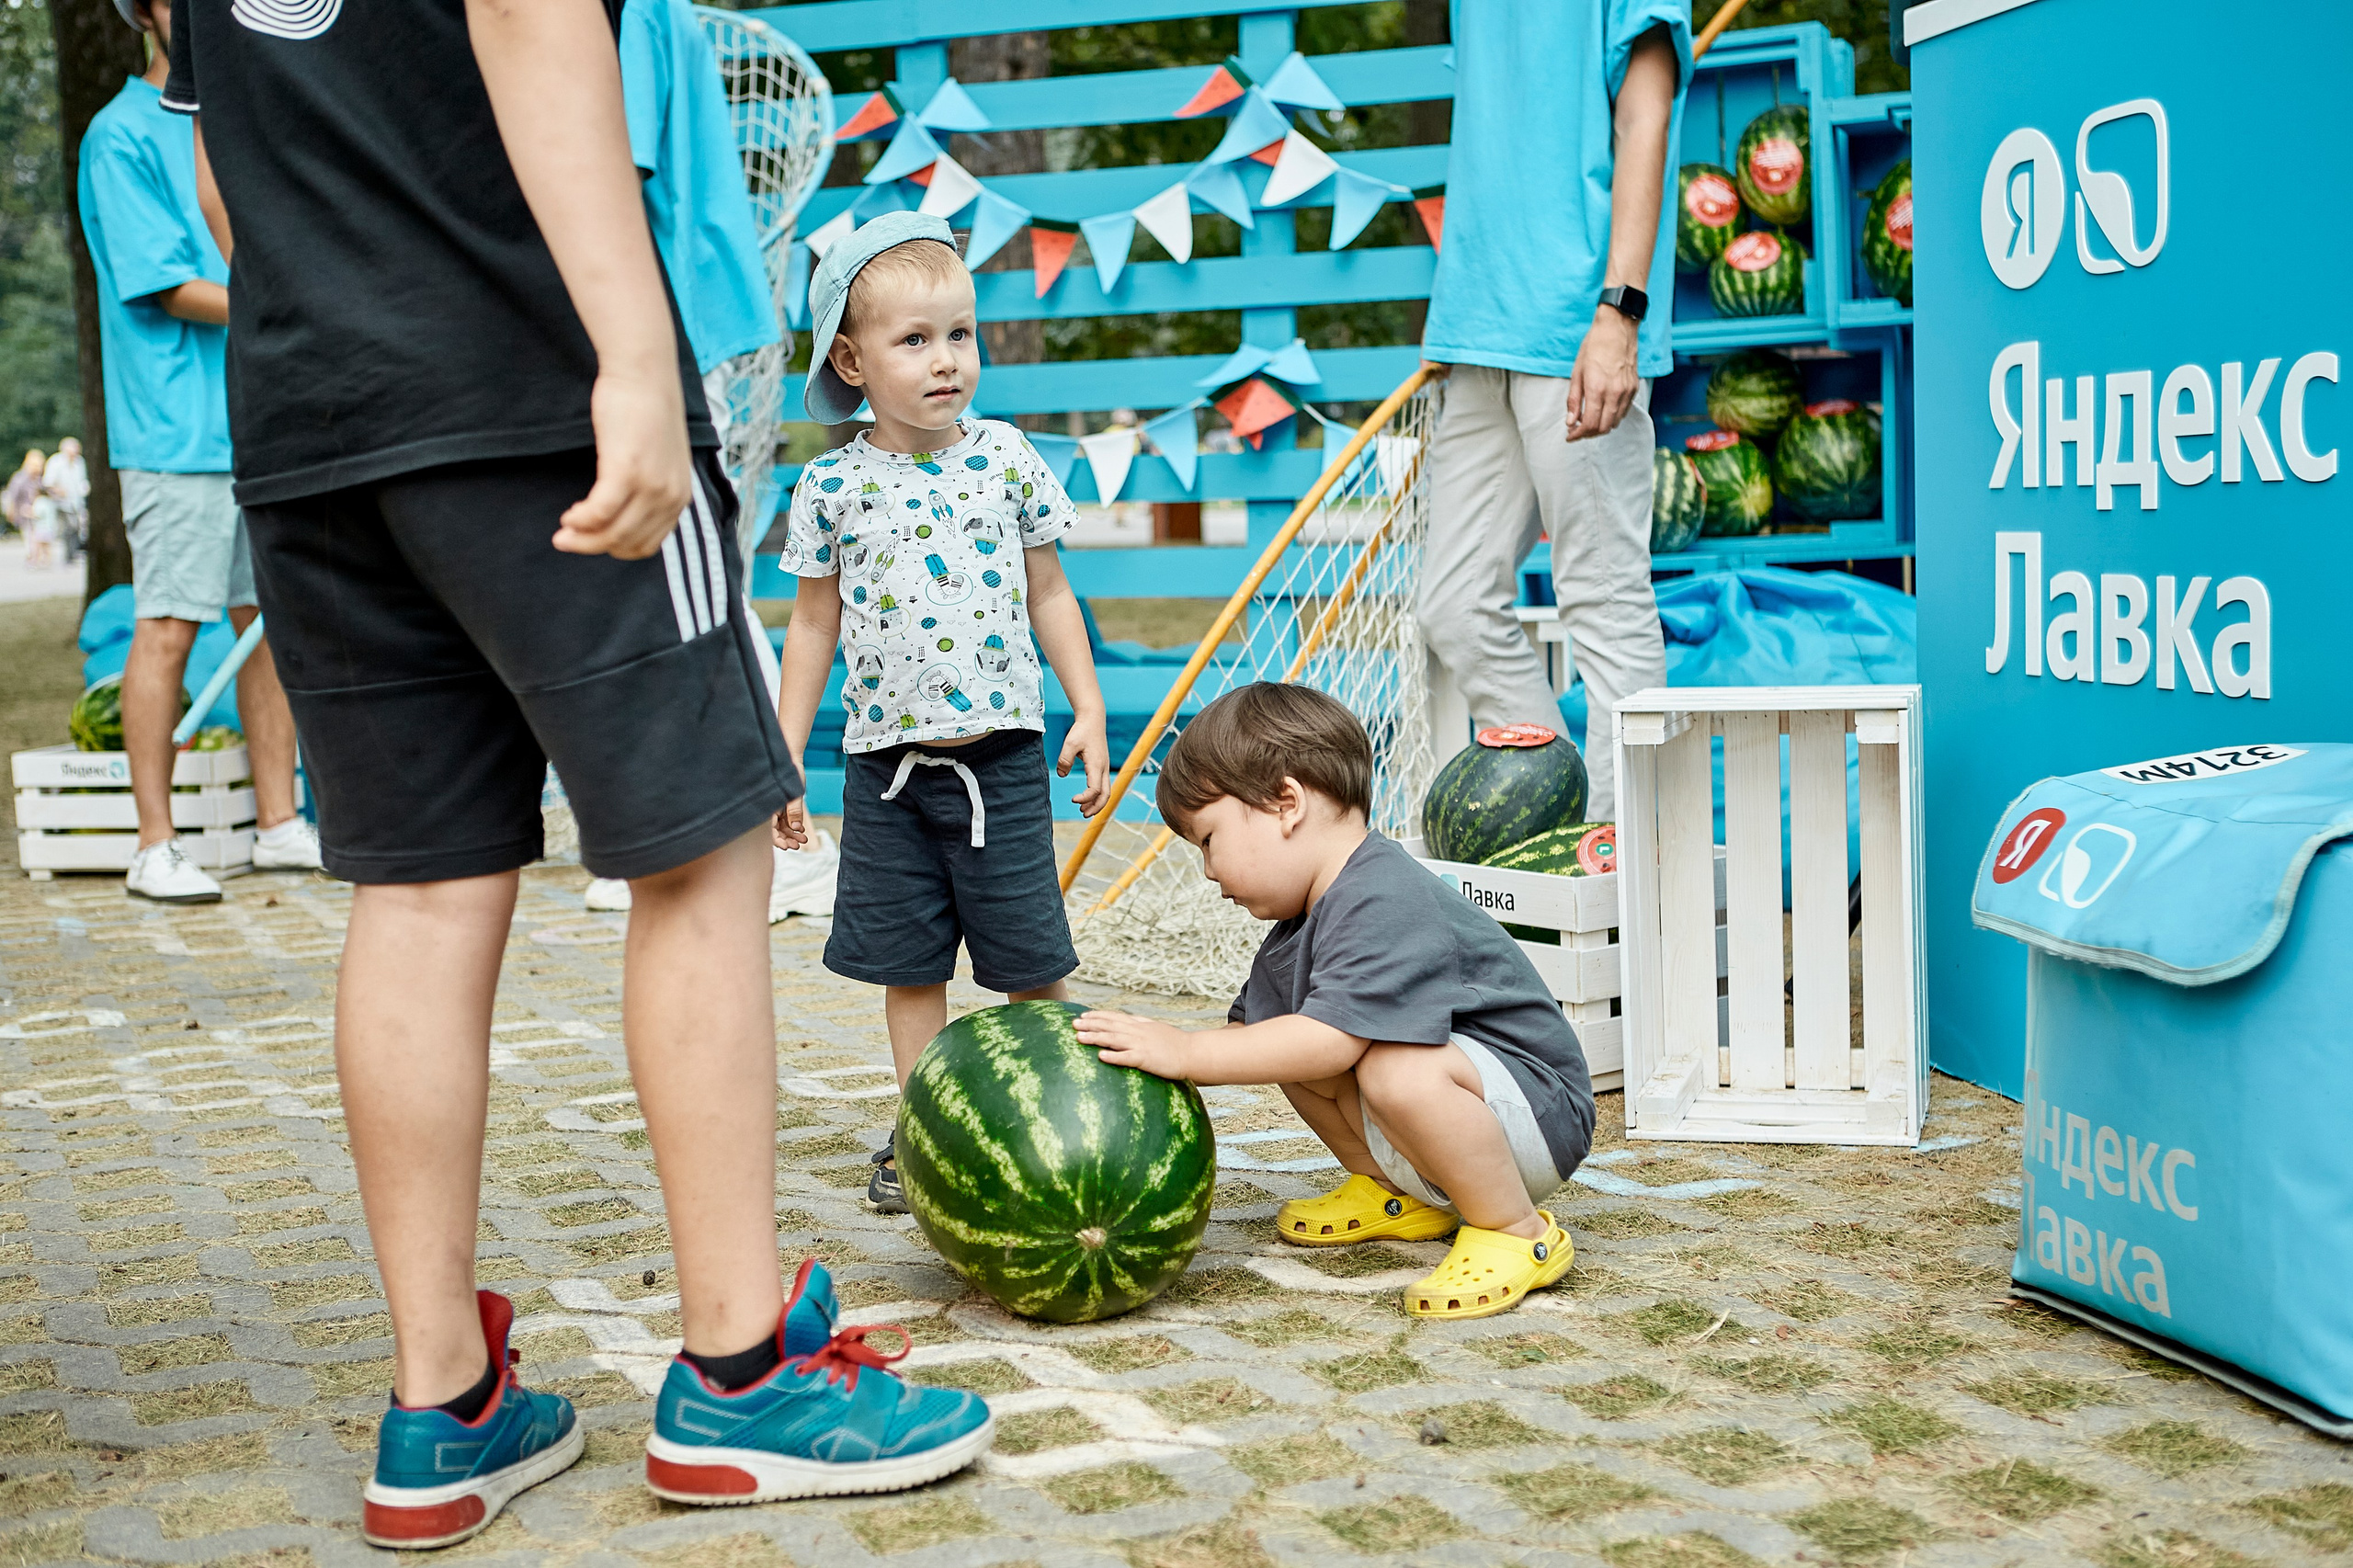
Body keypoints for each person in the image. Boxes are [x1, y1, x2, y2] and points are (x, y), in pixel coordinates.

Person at [163, 0, 989, 1544]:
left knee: (418, 888)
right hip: (525, 380)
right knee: (702, 850)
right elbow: (532, 17)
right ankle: (744, 1374)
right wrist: (625, 349)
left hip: (312, 417)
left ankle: (441, 1405)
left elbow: (219, 162)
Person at [771, 211, 1110, 1215]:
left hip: (1001, 764)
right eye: (913, 340)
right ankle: (926, 1124)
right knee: (908, 966)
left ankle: (1073, 1115)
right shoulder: (829, 484)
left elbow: (1049, 592)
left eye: (959, 335)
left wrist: (1086, 706)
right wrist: (786, 755)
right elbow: (810, 628)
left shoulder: (1004, 458)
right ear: (852, 358)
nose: (945, 360)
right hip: (886, 774)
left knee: (1031, 961)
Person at [1074, 683, 1594, 1322]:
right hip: (1459, 1119)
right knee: (1288, 1044)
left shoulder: (1382, 893)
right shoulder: (1302, 923)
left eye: (1208, 840)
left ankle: (1516, 1229)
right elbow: (1267, 1043)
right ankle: (1398, 1192)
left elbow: (1332, 1040)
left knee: (1388, 1064)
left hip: (1537, 1114)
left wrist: (1186, 1052)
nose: (1208, 870)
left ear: (1286, 803)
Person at [583, 0, 839, 924]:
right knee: (668, 590)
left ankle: (777, 830)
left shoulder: (630, 14)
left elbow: (610, 168)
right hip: (648, 330)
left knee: (693, 587)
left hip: (668, 329)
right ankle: (683, 826)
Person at [1414, 4, 1692, 823]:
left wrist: (1620, 312)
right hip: (1478, 331)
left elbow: (1646, 115)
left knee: (1604, 604)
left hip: (1579, 324)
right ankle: (1561, 826)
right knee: (1453, 605)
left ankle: (1624, 884)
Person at [79, 0, 316, 903]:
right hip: (175, 435)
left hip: (261, 417)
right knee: (171, 624)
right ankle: (154, 843)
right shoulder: (118, 136)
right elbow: (170, 284)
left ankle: (279, 824)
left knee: (269, 624)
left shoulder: (245, 119)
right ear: (145, 17)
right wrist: (299, 305)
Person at [42, 437, 89, 562]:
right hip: (61, 502)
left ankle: (72, 553)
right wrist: (58, 490)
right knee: (68, 528)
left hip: (76, 501)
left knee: (76, 527)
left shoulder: (80, 462)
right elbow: (47, 483)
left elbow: (82, 481)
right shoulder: (55, 462)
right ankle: (68, 555)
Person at [5, 450, 44, 537]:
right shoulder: (19, 478)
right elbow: (12, 496)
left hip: (36, 514)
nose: (38, 468)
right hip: (23, 514)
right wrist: (11, 511)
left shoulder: (39, 480)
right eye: (35, 465)